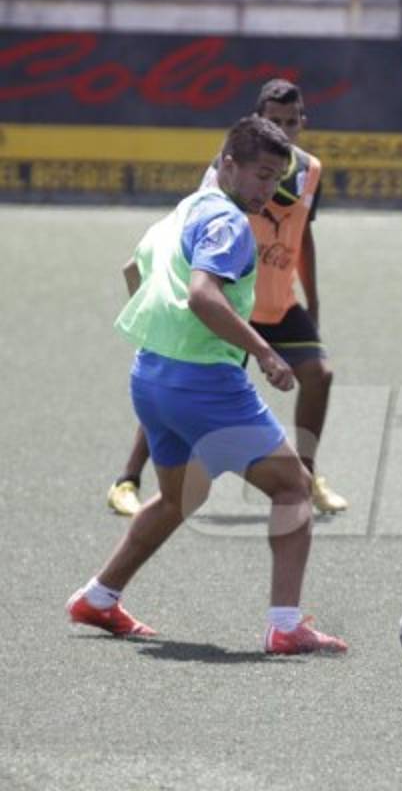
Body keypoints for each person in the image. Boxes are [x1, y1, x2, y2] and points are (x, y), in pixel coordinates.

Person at [69, 116, 347, 655]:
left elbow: (134, 270)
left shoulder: (186, 209)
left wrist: (163, 333)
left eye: (276, 179)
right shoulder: (229, 224)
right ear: (227, 164)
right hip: (204, 385)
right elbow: (202, 295)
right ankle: (286, 626)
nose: (268, 189)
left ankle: (98, 598)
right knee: (292, 488)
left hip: (151, 377)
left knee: (177, 497)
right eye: (261, 175)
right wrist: (265, 353)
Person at [105, 78, 347, 517]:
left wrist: (313, 298)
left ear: (303, 123)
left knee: (319, 374)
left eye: (292, 122)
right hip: (232, 299)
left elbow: (304, 233)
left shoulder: (310, 170)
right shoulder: (229, 169)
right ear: (257, 121)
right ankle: (128, 478)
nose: (286, 130)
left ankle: (307, 476)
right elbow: (192, 224)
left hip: (278, 299)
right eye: (275, 121)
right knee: (180, 386)